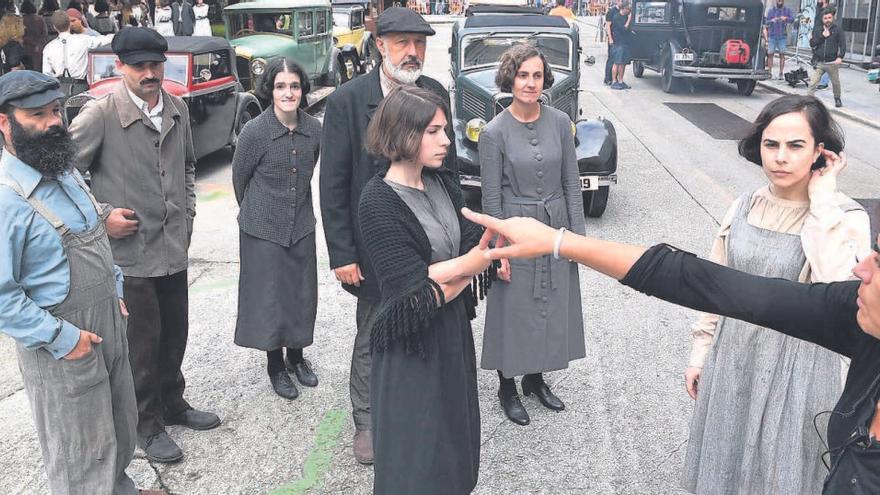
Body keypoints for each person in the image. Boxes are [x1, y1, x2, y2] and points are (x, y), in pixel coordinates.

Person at [460, 199, 880, 493]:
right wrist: (558, 242)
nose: (860, 268)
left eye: (878, 262)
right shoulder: (857, 318)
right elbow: (707, 282)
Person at [681, 95, 870, 493]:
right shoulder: (744, 205)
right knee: (724, 463)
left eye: (796, 145)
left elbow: (840, 287)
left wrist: (821, 202)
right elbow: (715, 285)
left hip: (798, 370)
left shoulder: (843, 216)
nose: (780, 157)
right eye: (771, 144)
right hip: (733, 358)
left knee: (781, 477)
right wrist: (700, 352)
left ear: (821, 151)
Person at [0, 70, 166, 495]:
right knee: (79, 453)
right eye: (37, 115)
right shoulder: (7, 200)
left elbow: (94, 234)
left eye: (56, 110)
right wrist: (62, 338)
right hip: (63, 343)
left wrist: (116, 291)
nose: (53, 122)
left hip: (108, 320)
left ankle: (120, 488)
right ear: (5, 123)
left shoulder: (65, 172)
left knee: (117, 427)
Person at [69, 27, 220, 464]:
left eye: (156, 64)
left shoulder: (175, 108)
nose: (150, 73)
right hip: (131, 257)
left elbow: (189, 166)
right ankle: (146, 425)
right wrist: (102, 216)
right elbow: (62, 175)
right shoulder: (99, 114)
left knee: (175, 333)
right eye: (140, 66)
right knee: (142, 344)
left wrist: (188, 214)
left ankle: (173, 403)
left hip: (173, 248)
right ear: (121, 67)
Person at [319, 6, 457, 465]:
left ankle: (417, 409)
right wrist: (341, 251)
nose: (413, 52)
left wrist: (465, 232)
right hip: (374, 246)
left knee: (427, 325)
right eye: (402, 43)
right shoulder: (347, 101)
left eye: (419, 43)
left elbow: (450, 171)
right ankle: (367, 423)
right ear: (380, 45)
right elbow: (333, 183)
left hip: (431, 239)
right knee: (374, 334)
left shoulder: (435, 93)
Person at [359, 84, 491, 495]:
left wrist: (455, 269)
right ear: (403, 133)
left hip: (451, 334)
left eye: (445, 130)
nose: (446, 141)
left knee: (454, 442)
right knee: (417, 459)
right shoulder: (377, 201)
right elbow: (412, 296)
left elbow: (471, 236)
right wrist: (472, 266)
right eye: (433, 131)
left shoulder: (441, 182)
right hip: (410, 351)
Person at [479, 43, 585, 426]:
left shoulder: (560, 121)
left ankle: (536, 379)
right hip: (516, 227)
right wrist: (499, 250)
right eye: (523, 75)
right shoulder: (493, 132)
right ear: (510, 78)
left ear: (545, 79)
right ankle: (507, 384)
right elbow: (491, 198)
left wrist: (579, 241)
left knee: (551, 306)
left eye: (537, 75)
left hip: (555, 225)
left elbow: (572, 184)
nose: (530, 82)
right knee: (514, 308)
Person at [232, 57, 321, 400]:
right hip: (261, 227)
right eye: (281, 86)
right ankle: (276, 365)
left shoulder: (314, 128)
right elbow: (240, 179)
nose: (288, 93)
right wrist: (259, 212)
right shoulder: (255, 132)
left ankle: (297, 357)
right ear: (269, 89)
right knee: (270, 298)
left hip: (301, 224)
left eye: (294, 86)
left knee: (300, 293)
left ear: (303, 89)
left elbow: (311, 165)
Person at [41, 10, 112, 96]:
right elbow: (105, 40)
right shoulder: (84, 40)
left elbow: (47, 74)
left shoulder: (48, 47)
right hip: (80, 87)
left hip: (59, 89)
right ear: (69, 24)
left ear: (54, 27)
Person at [808, 7, 845, 108]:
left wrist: (840, 57)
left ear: (832, 18)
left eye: (829, 17)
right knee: (812, 83)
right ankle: (809, 100)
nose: (827, 20)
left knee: (836, 83)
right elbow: (812, 43)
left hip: (832, 62)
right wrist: (823, 36)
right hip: (819, 62)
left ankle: (837, 99)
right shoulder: (818, 29)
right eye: (825, 18)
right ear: (822, 19)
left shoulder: (837, 29)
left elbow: (843, 44)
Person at [763, 0, 792, 80]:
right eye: (778, 0)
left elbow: (792, 19)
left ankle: (781, 73)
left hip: (782, 36)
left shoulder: (787, 10)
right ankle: (769, 72)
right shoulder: (771, 10)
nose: (779, 1)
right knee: (770, 54)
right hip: (772, 36)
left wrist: (786, 18)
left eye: (781, 0)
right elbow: (766, 22)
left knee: (782, 55)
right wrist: (771, 20)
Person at [609, 0, 632, 90]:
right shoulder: (617, 17)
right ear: (624, 8)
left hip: (625, 42)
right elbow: (624, 29)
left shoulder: (626, 16)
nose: (629, 11)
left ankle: (621, 81)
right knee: (617, 62)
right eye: (628, 9)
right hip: (618, 42)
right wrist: (629, 19)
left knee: (623, 63)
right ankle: (614, 81)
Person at [19, 0, 46, 72]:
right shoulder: (40, 19)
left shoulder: (21, 20)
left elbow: (21, 36)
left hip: (26, 48)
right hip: (39, 47)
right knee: (38, 68)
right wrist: (38, 44)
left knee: (28, 69)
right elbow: (44, 34)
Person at [812, 0, 832, 89]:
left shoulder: (829, 10)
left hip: (825, 36)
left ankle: (824, 82)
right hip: (817, 36)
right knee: (817, 59)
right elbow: (816, 23)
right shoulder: (819, 9)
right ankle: (820, 79)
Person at [603, 0, 620, 85]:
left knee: (618, 60)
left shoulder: (625, 11)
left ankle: (615, 78)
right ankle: (607, 78)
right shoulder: (611, 11)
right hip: (613, 37)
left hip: (620, 39)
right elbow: (608, 26)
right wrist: (610, 38)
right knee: (611, 58)